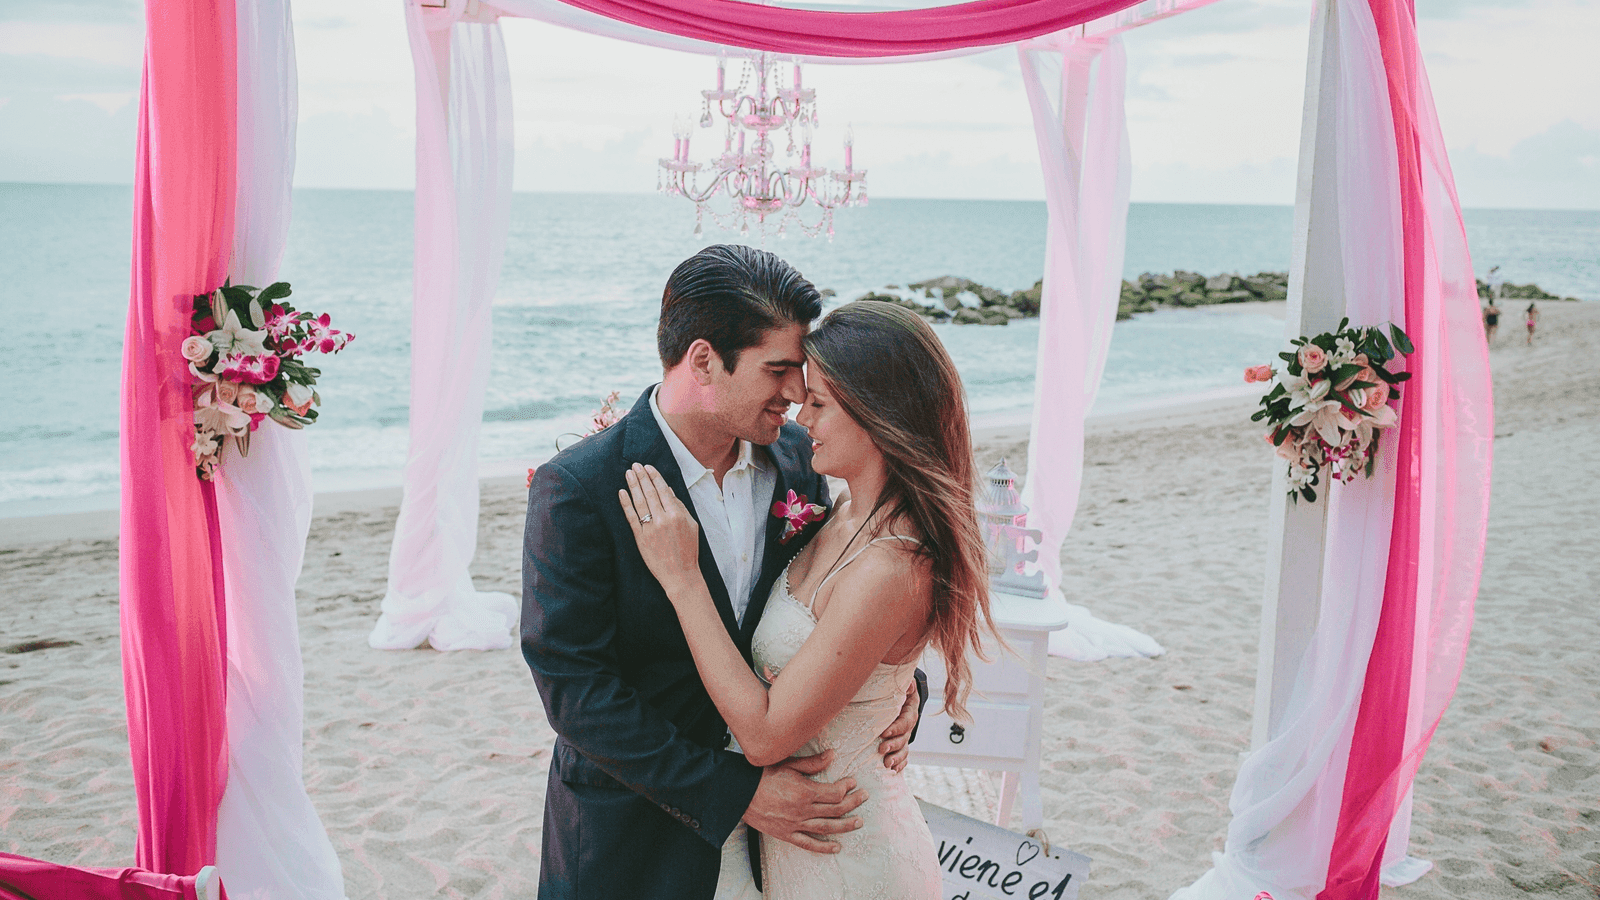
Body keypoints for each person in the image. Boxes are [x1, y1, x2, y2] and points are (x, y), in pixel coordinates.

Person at [522, 246, 927, 900]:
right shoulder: (580, 488)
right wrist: (733, 794)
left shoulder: (801, 460)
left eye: (801, 372)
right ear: (705, 360)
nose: (797, 395)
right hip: (638, 835)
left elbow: (838, 597)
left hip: (790, 842)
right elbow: (576, 690)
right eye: (779, 369)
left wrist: (896, 686)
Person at [621, 300, 998, 900]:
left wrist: (683, 578)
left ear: (879, 416)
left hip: (852, 859)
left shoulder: (894, 561)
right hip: (798, 851)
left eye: (819, 403)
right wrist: (896, 688)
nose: (802, 418)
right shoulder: (841, 509)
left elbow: (768, 735)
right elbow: (854, 655)